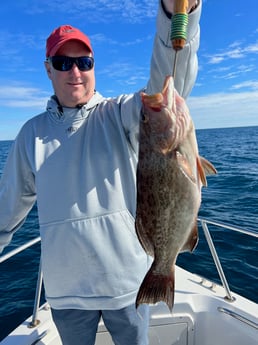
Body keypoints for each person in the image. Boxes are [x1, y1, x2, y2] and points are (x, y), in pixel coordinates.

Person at [0, 1, 201, 344]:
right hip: (66, 292)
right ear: (48, 69)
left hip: (127, 283)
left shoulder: (120, 113)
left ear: (94, 66)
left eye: (84, 62)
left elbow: (171, 80)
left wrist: (178, 15)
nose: (74, 72)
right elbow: (6, 209)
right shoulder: (30, 135)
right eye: (63, 63)